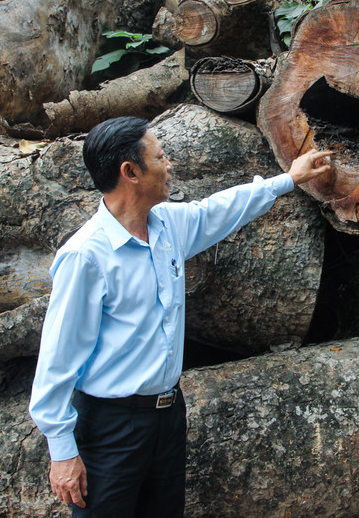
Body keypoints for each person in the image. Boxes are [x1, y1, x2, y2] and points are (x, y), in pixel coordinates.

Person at [29, 116, 333, 517]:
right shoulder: (87, 256)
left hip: (168, 415)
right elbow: (57, 358)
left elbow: (221, 210)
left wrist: (288, 179)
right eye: (161, 156)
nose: (170, 164)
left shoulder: (168, 226)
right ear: (130, 172)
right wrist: (62, 451)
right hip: (111, 427)